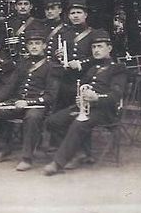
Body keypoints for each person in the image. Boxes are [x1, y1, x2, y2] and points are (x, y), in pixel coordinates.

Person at [0, 29, 61, 168]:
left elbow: (51, 96)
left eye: (37, 43)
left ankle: (27, 158)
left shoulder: (52, 67)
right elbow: (9, 87)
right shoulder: (23, 64)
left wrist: (28, 102)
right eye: (31, 44)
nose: (34, 46)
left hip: (37, 105)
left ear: (44, 46)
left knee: (32, 118)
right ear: (27, 46)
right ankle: (2, 148)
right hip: (16, 103)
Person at [41, 29, 127, 175]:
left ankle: (58, 163)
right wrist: (79, 98)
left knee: (78, 123)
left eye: (100, 46)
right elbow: (81, 87)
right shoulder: (92, 68)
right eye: (94, 47)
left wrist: (97, 98)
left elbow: (116, 96)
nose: (96, 50)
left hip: (105, 111)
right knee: (52, 121)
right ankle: (78, 152)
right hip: (85, 107)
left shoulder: (117, 69)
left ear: (109, 48)